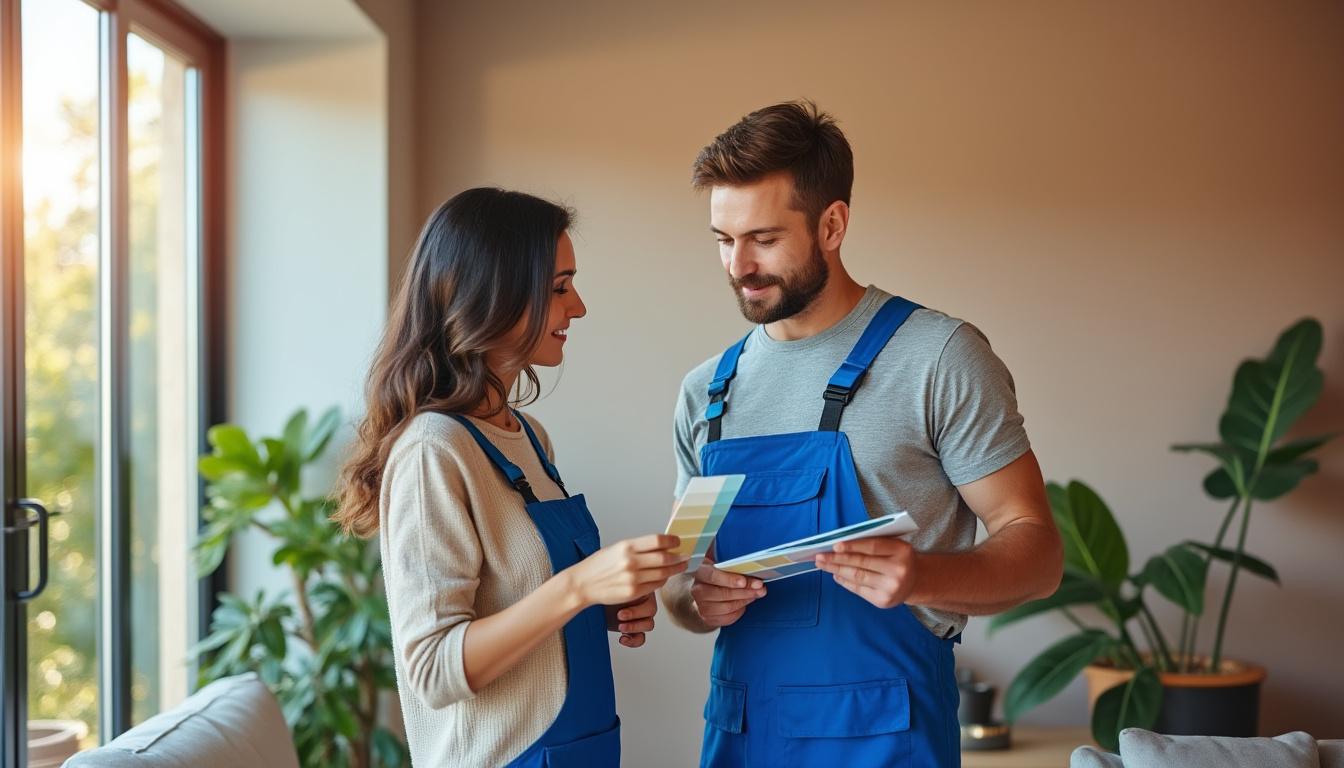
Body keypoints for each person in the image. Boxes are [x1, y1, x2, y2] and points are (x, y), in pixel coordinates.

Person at [660, 101, 1064, 767]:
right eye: (723, 241)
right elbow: (681, 580)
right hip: (742, 735)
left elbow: (1040, 554)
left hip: (887, 739)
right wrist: (693, 597)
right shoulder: (707, 393)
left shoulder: (938, 357)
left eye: (763, 238)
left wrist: (922, 576)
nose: (739, 266)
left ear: (833, 224)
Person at [335, 188, 685, 767]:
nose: (578, 307)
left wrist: (599, 607)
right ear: (489, 296)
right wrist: (578, 587)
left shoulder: (529, 438)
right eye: (558, 288)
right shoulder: (432, 451)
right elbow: (433, 670)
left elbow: (517, 600)